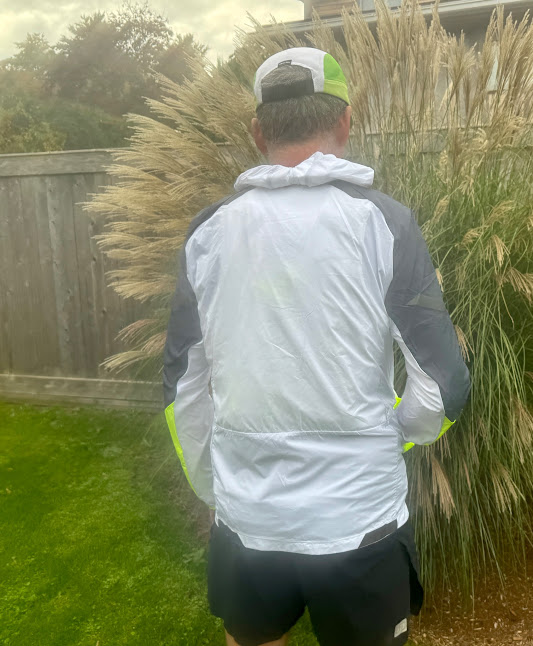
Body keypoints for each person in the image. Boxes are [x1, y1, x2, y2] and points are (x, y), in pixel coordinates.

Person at [162, 47, 470, 646]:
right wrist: (393, 434)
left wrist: (216, 487)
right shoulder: (385, 223)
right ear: (345, 122)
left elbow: (182, 391)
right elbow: (442, 388)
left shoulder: (207, 234)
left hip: (249, 518)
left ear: (258, 132)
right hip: (359, 517)